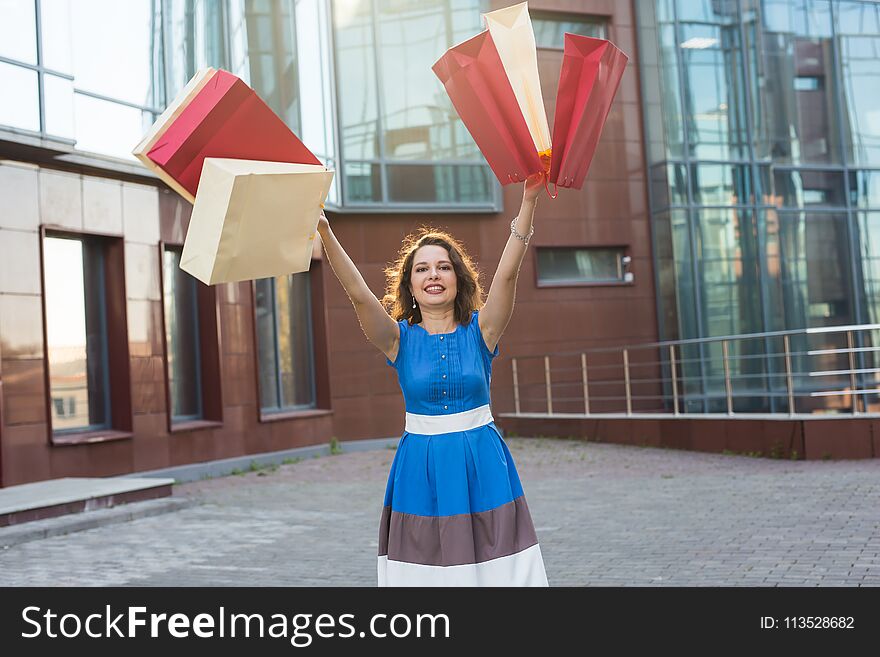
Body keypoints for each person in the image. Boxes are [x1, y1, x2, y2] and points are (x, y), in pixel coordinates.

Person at [316, 173, 548, 587]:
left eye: (443, 266)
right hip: (420, 466)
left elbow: (508, 276)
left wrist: (527, 202)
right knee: (427, 572)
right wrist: (325, 231)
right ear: (410, 285)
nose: (433, 274)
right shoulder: (396, 340)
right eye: (421, 269)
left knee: (495, 567)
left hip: (483, 461)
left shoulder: (483, 331)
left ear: (458, 277)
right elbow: (357, 293)